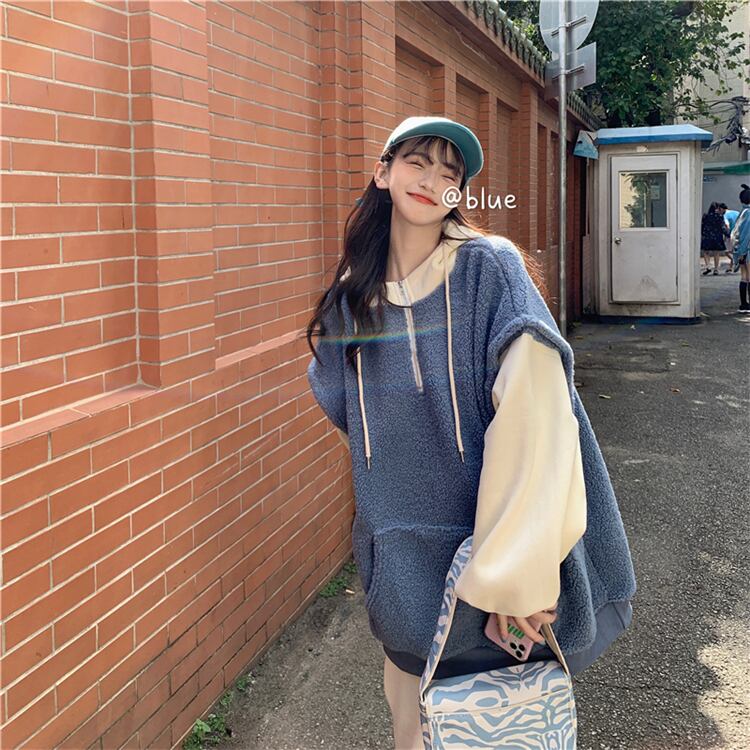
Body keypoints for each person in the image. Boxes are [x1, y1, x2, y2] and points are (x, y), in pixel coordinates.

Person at [305, 116, 637, 749]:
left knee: (499, 729)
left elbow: (541, 422)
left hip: (492, 592)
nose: (432, 180)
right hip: (405, 588)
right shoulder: (355, 300)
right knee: (412, 729)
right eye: (417, 162)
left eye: (449, 172)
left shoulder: (490, 270)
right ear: (383, 172)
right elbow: (348, 415)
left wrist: (521, 577)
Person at [730, 184, 750, 313]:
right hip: (747, 250)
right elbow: (747, 234)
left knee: (744, 277)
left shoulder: (742, 212)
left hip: (741, 249)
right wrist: (743, 252)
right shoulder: (749, 213)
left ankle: (744, 304)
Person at [701, 202, 730, 275]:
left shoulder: (705, 216)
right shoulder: (719, 216)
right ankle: (716, 269)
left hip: (707, 236)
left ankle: (708, 266)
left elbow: (702, 226)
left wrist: (702, 234)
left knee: (706, 252)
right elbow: (723, 227)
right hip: (717, 237)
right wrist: (728, 234)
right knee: (716, 253)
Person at [721, 203, 740, 273]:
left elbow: (727, 225)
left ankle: (735, 261)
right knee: (734, 250)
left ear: (722, 209)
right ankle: (731, 266)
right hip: (739, 233)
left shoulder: (725, 215)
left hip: (731, 235)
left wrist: (725, 234)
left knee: (727, 251)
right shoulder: (736, 212)